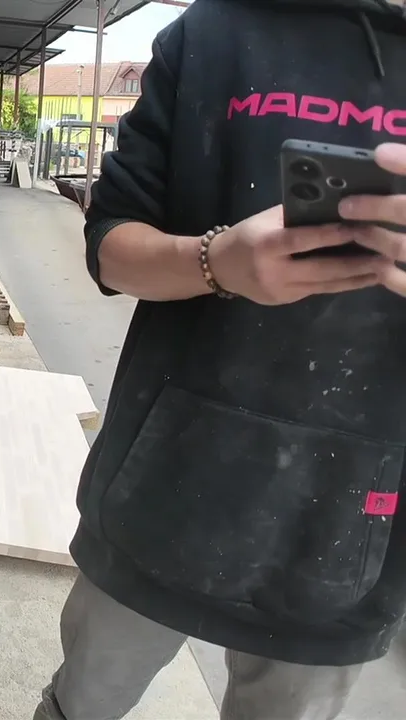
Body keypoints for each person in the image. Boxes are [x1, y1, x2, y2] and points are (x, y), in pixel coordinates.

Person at [35, 1, 406, 718]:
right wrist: (215, 262)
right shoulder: (215, 33)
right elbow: (110, 246)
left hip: (355, 520)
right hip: (165, 481)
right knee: (84, 700)